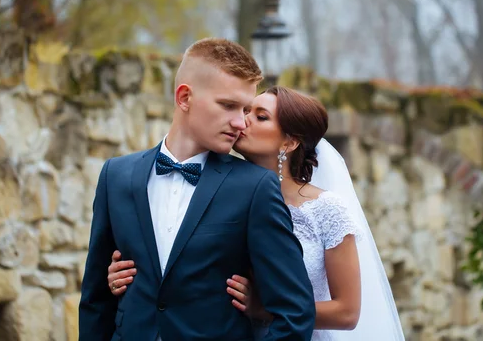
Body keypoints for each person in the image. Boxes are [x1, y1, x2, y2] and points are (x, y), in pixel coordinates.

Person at [108, 86, 406, 340]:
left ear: (289, 142)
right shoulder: (218, 191)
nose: (242, 121)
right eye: (244, 111)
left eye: (259, 116)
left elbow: (347, 312)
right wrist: (130, 277)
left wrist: (266, 308)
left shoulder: (327, 210)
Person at [79, 38, 316, 341]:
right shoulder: (116, 175)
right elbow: (95, 300)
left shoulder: (254, 187)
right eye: (228, 105)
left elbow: (295, 312)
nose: (240, 122)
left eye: (245, 108)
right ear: (185, 98)